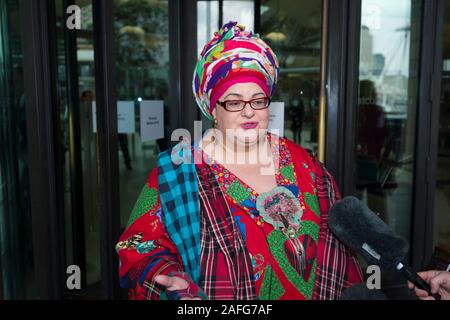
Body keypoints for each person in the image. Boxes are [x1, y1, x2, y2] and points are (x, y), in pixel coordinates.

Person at [116, 21, 363, 300]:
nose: (249, 112)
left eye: (258, 100)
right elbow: (139, 248)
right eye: (233, 102)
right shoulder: (176, 172)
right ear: (212, 109)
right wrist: (171, 279)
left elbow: (341, 245)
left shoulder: (305, 164)